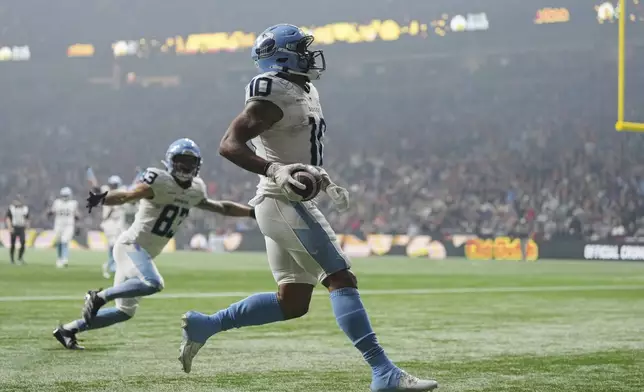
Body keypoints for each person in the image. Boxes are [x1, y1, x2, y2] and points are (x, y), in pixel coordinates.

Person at [178, 24, 438, 392]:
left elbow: (295, 148)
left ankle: (207, 324)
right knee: (340, 277)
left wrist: (319, 176)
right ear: (281, 55)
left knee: (293, 302)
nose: (309, 54)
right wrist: (275, 169)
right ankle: (383, 372)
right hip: (281, 201)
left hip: (286, 201)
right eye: (301, 48)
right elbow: (229, 144)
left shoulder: (304, 89)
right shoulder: (272, 90)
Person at [53, 138, 255, 350]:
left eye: (190, 162)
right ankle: (99, 297)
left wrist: (251, 212)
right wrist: (102, 198)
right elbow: (127, 196)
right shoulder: (159, 180)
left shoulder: (196, 189)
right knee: (153, 283)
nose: (186, 166)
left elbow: (221, 207)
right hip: (131, 245)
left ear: (198, 165)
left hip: (144, 253)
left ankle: (68, 329)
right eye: (181, 161)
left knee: (124, 312)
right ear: (169, 162)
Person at [101, 175, 128, 279]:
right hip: (109, 222)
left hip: (119, 221)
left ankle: (116, 264)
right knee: (112, 244)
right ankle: (112, 264)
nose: (114, 186)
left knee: (120, 244)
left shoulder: (121, 191)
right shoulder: (106, 192)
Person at [49, 187, 80, 268]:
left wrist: (78, 223)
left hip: (69, 225)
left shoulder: (73, 203)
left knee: (65, 241)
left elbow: (77, 215)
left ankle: (65, 258)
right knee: (59, 242)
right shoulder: (57, 202)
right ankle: (60, 258)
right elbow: (52, 211)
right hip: (59, 225)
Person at [5, 195, 29, 264]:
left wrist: (27, 227)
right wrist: (10, 228)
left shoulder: (25, 209)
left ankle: (20, 257)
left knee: (23, 242)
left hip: (21, 227)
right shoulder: (11, 208)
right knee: (13, 244)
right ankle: (12, 259)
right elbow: (8, 218)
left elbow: (27, 219)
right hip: (14, 227)